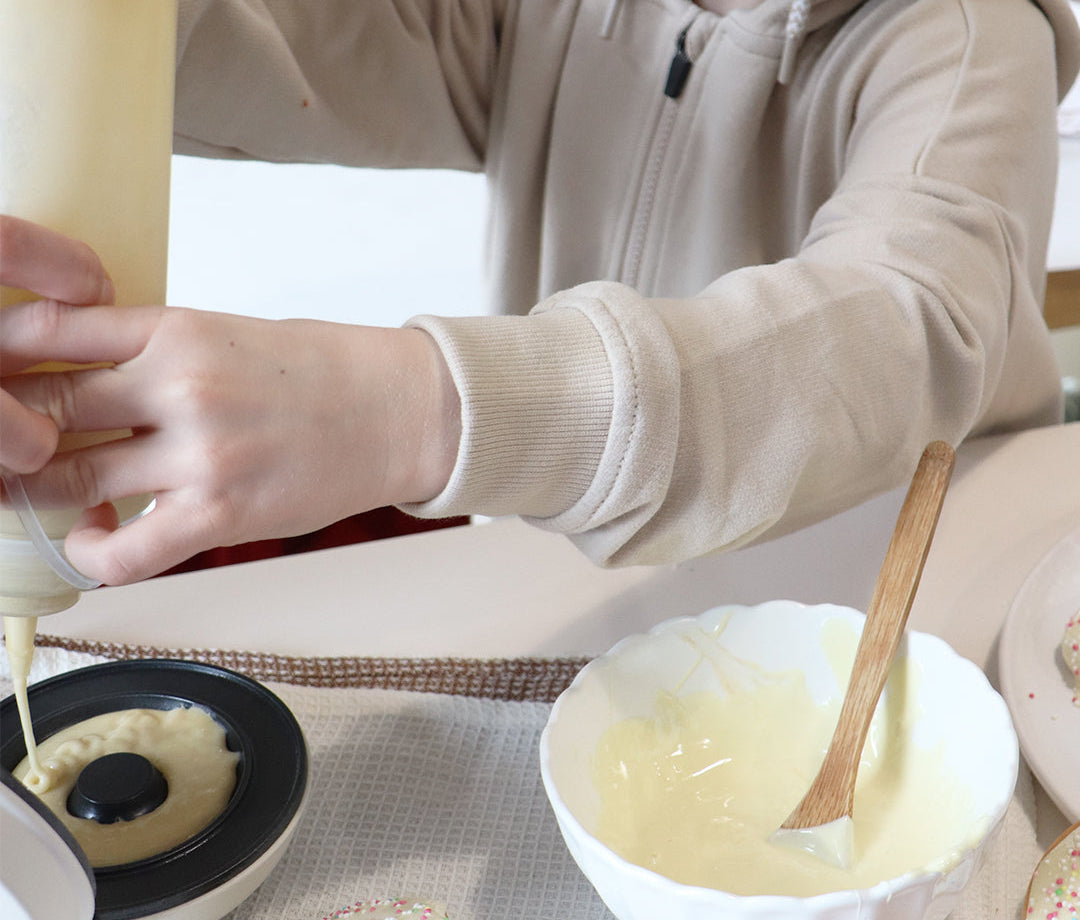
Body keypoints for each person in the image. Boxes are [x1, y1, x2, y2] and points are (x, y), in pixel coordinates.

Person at [2, 0, 1077, 585]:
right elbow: (296, 41)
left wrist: (424, 405)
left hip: (903, 589)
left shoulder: (972, 35)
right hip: (585, 572)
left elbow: (903, 328)